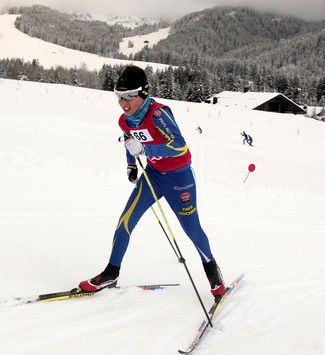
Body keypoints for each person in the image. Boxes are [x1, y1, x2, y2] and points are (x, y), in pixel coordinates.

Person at [78, 65, 226, 302]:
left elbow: (179, 145)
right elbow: (129, 140)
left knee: (191, 229)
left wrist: (145, 148)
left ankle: (213, 273)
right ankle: (111, 273)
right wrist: (131, 164)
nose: (123, 103)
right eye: (119, 97)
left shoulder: (158, 113)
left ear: (144, 94)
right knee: (125, 221)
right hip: (153, 176)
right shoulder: (125, 121)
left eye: (129, 97)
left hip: (179, 178)